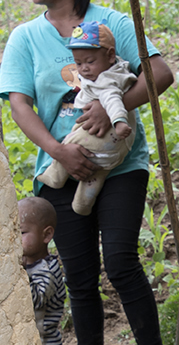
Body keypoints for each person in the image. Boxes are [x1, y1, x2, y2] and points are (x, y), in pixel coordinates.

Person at [0, 0, 176, 345]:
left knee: (119, 260)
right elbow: (18, 105)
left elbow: (159, 74)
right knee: (78, 274)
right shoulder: (25, 38)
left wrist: (111, 111)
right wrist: (58, 150)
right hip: (60, 165)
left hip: (118, 165)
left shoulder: (111, 22)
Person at [39, 21, 135, 217]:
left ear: (109, 55)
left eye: (90, 62)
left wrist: (118, 122)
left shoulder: (106, 80)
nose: (84, 69)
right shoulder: (110, 72)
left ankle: (55, 175)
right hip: (114, 153)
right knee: (95, 175)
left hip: (105, 138)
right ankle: (83, 204)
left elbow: (113, 100)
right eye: (79, 63)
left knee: (72, 140)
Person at [19, 193, 68, 345]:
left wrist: (17, 277)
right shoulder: (30, 266)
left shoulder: (47, 270)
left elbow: (35, 300)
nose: (15, 240)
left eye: (21, 233)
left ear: (46, 235)